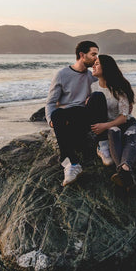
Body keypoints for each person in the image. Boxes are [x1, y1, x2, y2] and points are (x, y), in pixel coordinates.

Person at [45, 41, 99, 186]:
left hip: (84, 117)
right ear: (82, 55)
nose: (96, 58)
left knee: (88, 103)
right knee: (57, 115)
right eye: (93, 54)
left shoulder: (93, 76)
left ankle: (70, 162)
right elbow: (50, 103)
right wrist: (51, 121)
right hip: (68, 118)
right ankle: (72, 164)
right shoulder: (62, 74)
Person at [89, 54, 136, 190]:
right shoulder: (93, 88)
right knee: (114, 132)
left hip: (128, 124)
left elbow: (124, 117)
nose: (93, 66)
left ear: (106, 67)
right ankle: (126, 173)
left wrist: (104, 126)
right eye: (93, 63)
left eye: (97, 63)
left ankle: (123, 171)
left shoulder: (120, 87)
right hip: (111, 129)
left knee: (130, 136)